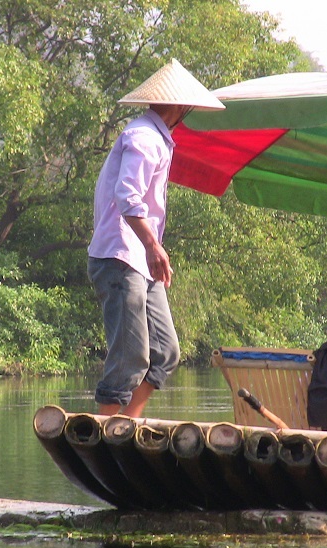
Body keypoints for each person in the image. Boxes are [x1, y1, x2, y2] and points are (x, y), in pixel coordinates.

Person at [87, 59, 225, 418]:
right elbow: (128, 197)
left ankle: (124, 427)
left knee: (165, 352)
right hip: (120, 257)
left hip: (139, 260)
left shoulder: (158, 139)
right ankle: (106, 432)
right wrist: (153, 245)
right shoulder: (144, 138)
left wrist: (150, 250)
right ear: (180, 106)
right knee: (130, 356)